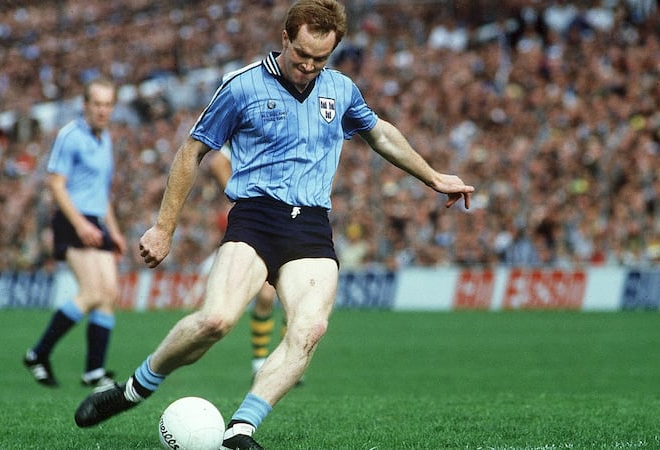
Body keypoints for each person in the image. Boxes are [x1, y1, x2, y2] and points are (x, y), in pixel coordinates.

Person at [73, 2, 473, 449]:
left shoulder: (340, 89)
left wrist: (434, 177)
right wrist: (163, 228)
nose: (308, 66)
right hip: (257, 217)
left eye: (320, 58)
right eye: (301, 53)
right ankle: (135, 388)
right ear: (285, 38)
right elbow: (192, 152)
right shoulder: (241, 87)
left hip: (312, 227)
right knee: (217, 320)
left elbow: (377, 133)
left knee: (310, 330)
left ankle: (240, 430)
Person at [24, 77, 127, 388]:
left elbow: (101, 191)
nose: (102, 110)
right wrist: (81, 224)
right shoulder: (70, 136)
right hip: (73, 219)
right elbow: (56, 184)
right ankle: (38, 352)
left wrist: (115, 230)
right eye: (97, 104)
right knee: (93, 292)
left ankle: (94, 371)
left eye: (108, 104)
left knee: (108, 293)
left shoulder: (105, 137)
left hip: (96, 218)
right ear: (85, 105)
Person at [208, 148, 283, 378]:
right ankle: (260, 361)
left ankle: (287, 361)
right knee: (266, 295)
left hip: (295, 216)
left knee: (296, 297)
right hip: (263, 220)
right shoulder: (260, 121)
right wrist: (240, 195)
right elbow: (218, 162)